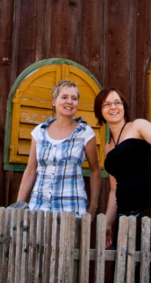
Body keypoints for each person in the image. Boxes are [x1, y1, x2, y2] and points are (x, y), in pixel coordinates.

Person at [96, 87, 151, 248]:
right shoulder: (107, 147)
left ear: (124, 106)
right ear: (100, 111)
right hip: (124, 213)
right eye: (106, 104)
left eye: (117, 102)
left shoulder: (138, 126)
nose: (113, 107)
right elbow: (114, 189)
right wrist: (107, 223)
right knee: (126, 268)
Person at [16, 80, 100, 215]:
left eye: (74, 98)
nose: (70, 102)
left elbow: (95, 170)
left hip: (72, 209)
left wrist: (93, 207)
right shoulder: (39, 131)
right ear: (54, 102)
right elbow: (30, 171)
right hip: (38, 208)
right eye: (64, 97)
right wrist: (20, 204)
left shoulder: (86, 132)